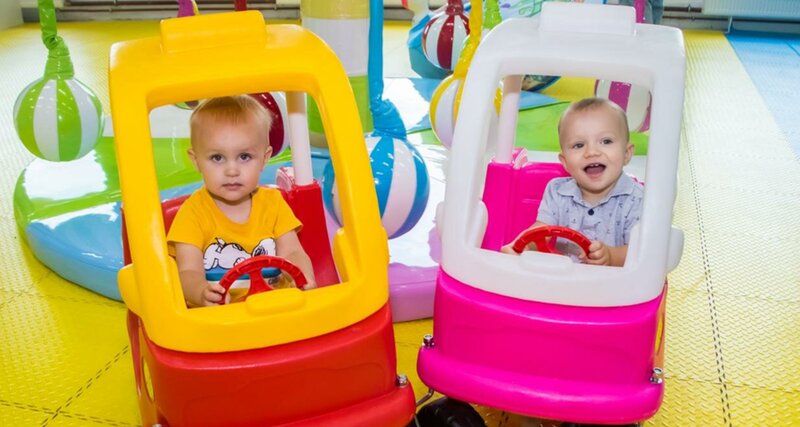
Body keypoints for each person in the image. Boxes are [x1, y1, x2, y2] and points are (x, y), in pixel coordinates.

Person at [167, 95, 317, 307]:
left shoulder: (273, 203)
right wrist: (200, 292)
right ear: (196, 160)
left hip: (275, 308)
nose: (232, 171)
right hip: (220, 316)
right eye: (217, 158)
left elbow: (292, 251)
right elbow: (187, 271)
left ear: (264, 158)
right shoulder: (193, 213)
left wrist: (303, 276)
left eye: (244, 156)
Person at [502, 98, 643, 267]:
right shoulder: (557, 191)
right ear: (565, 162)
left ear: (626, 154)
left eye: (606, 141)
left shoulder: (636, 199)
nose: (592, 152)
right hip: (562, 278)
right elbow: (540, 231)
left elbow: (642, 252)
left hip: (614, 280)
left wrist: (611, 257)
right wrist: (521, 247)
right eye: (578, 145)